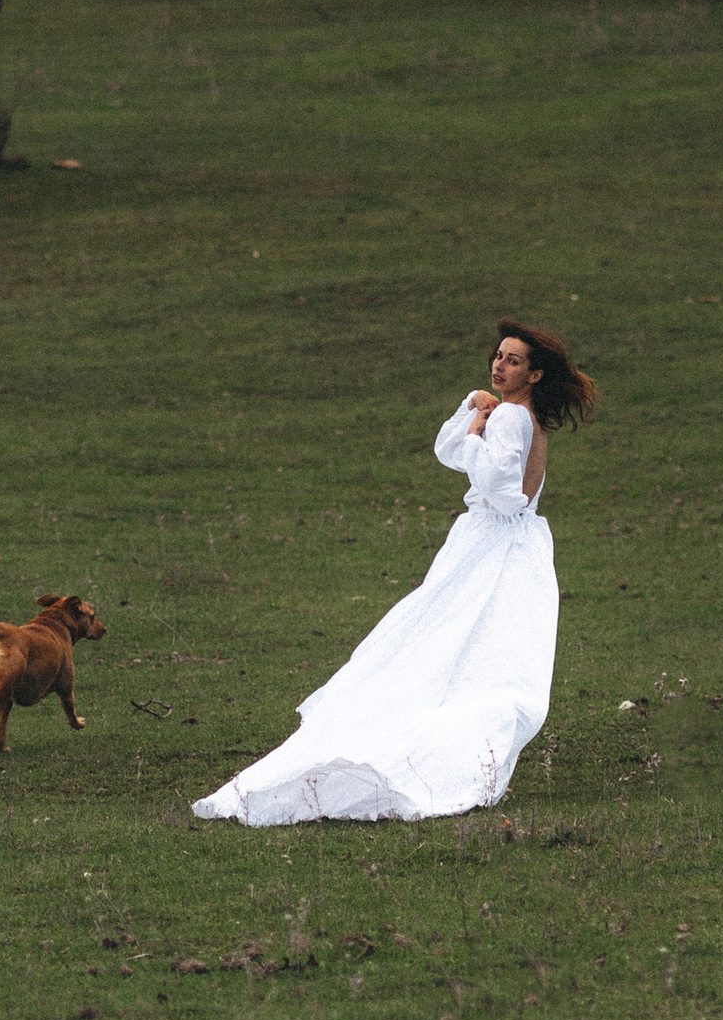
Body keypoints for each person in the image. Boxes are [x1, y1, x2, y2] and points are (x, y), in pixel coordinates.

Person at [193, 322, 600, 826]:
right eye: (498, 356)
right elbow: (451, 453)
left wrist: (478, 430)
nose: (499, 365)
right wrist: (474, 413)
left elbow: (497, 486)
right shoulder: (523, 418)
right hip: (518, 543)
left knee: (441, 642)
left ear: (534, 375)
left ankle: (420, 745)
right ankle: (464, 751)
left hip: (490, 541)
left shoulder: (511, 418)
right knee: (483, 649)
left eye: (513, 361)